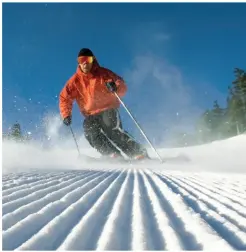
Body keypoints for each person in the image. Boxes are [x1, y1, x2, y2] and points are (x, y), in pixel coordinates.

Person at [59, 48, 149, 161]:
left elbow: (121, 84)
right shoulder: (74, 82)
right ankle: (111, 154)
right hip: (90, 114)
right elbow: (64, 98)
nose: (85, 62)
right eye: (82, 60)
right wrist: (66, 114)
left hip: (108, 108)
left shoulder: (103, 74)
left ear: (93, 60)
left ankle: (137, 152)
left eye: (88, 59)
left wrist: (116, 87)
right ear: (79, 62)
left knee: (111, 129)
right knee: (90, 132)